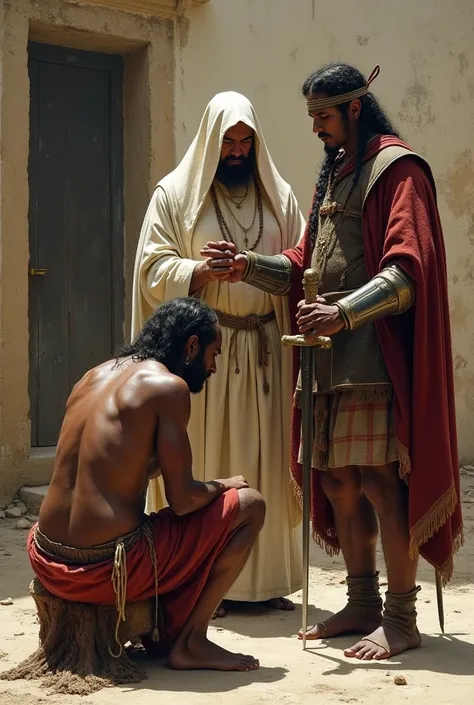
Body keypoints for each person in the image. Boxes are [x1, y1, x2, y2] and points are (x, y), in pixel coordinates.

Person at [200, 63, 463, 660]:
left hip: (376, 361)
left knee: (378, 481)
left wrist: (343, 315)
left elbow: (405, 273)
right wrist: (245, 265)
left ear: (353, 108)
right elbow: (302, 265)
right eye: (312, 116)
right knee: (340, 484)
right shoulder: (335, 173)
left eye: (323, 115)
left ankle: (400, 616)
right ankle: (363, 601)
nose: (316, 127)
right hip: (327, 362)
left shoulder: (398, 170)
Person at [132, 92, 305, 615]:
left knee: (266, 463)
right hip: (202, 356)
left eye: (245, 142)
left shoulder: (280, 197)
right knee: (206, 460)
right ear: (211, 142)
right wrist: (199, 273)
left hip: (266, 351)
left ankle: (264, 579)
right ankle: (204, 581)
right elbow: (150, 268)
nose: (236, 151)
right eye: (227, 142)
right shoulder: (174, 196)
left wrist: (255, 266)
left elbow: (303, 262)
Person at [28, 297, 265, 672]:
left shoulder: (93, 375)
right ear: (191, 346)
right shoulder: (168, 388)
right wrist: (222, 484)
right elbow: (185, 500)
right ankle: (191, 642)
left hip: (46, 557)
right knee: (250, 504)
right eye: (213, 354)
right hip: (106, 567)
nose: (214, 367)